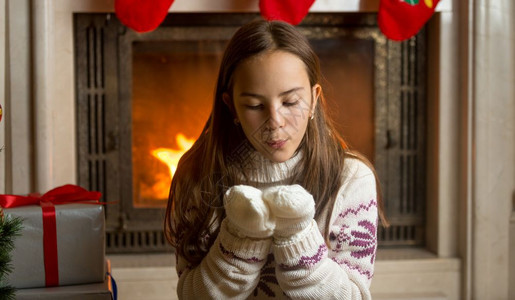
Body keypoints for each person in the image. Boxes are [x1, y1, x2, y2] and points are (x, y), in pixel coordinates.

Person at [165, 19, 388, 299]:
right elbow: (191, 295)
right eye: (255, 106)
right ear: (231, 106)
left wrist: (297, 237)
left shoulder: (351, 179)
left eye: (291, 102)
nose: (275, 122)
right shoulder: (197, 175)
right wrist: (241, 237)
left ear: (314, 99)